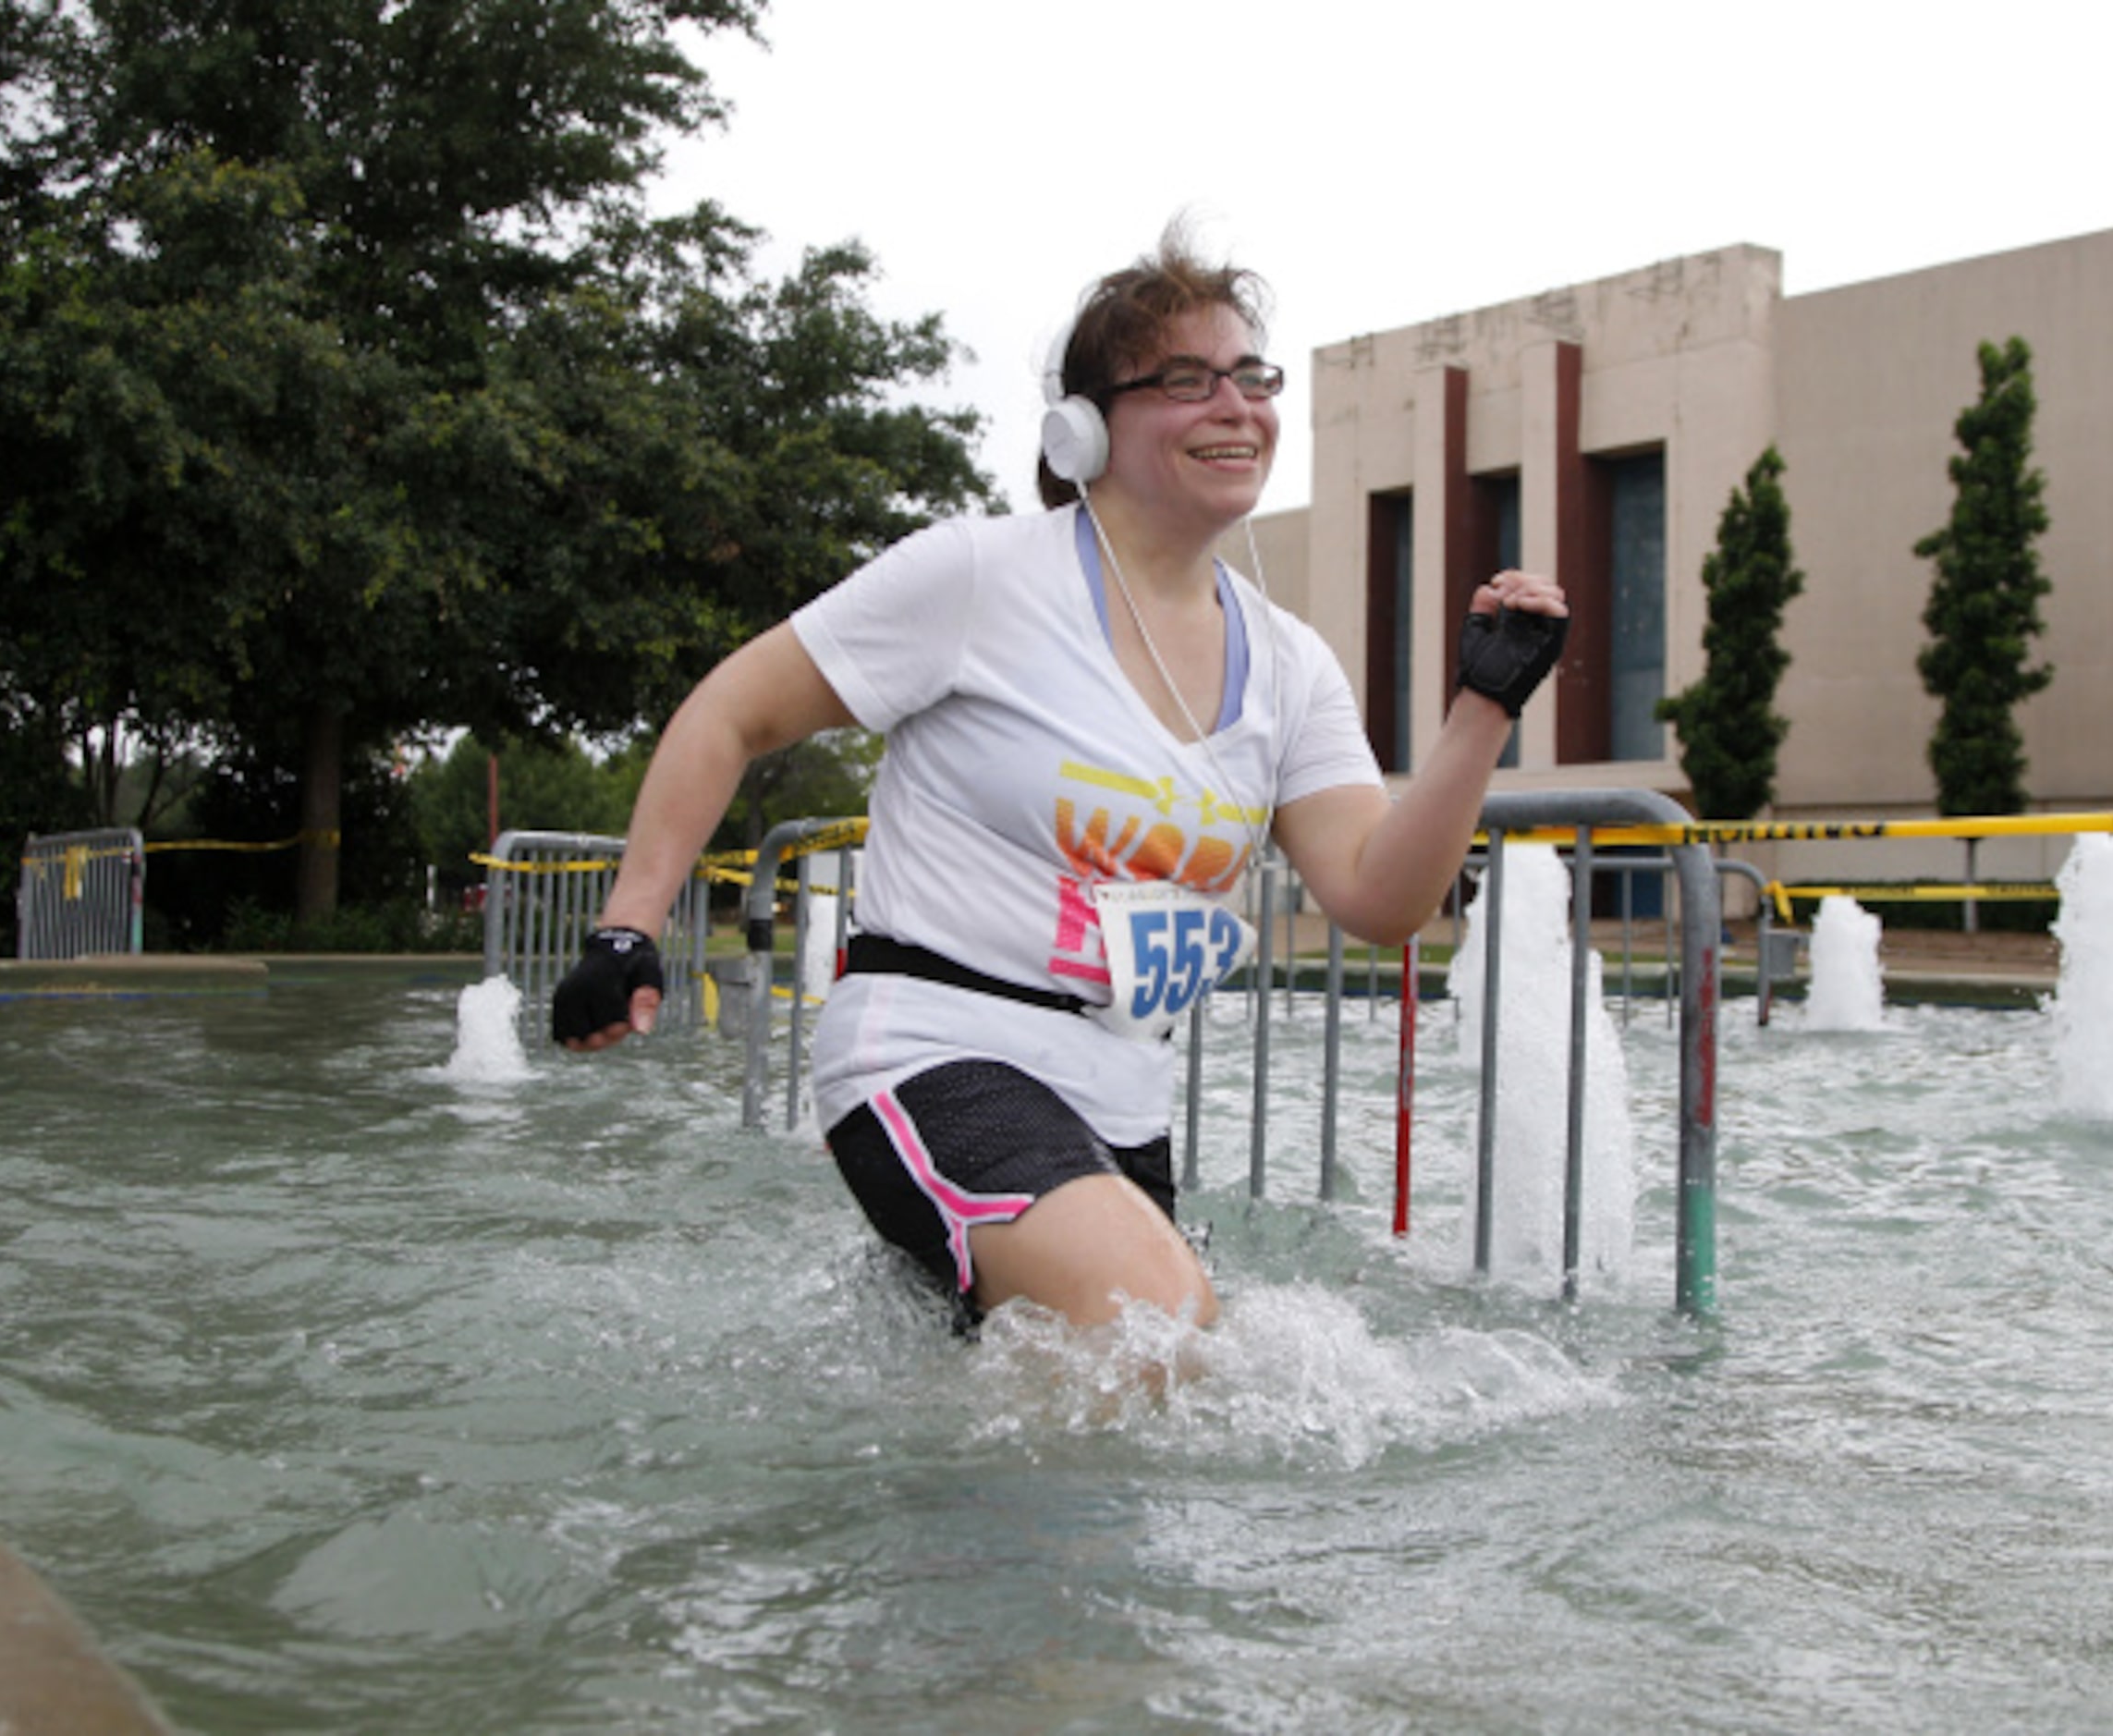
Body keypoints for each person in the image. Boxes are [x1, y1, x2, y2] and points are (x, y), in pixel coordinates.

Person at [553, 222, 1567, 1335]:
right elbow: (730, 710)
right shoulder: (980, 576)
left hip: (1121, 1095)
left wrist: (1483, 710)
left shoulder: (1292, 664)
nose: (1234, 405)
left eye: (1252, 376)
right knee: (1154, 1314)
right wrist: (627, 926)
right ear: (1084, 429)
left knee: (1123, 1422)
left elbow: (1381, 899)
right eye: (1186, 379)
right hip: (936, 1048)